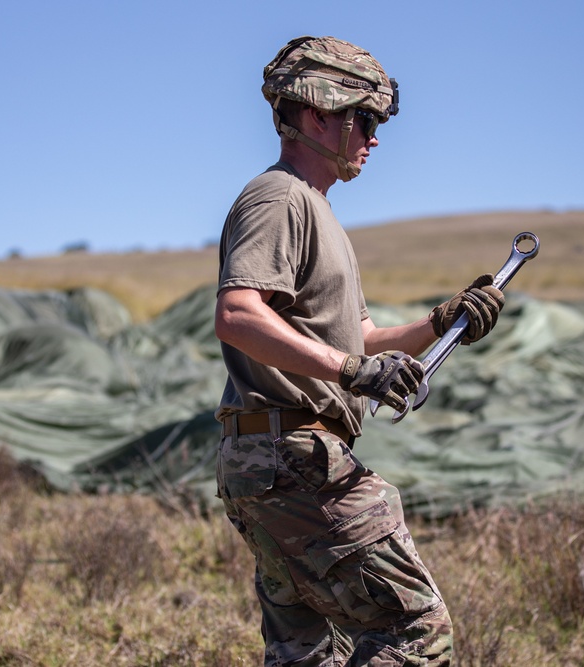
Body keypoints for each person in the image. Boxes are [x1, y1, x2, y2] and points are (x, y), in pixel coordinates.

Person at [213, 36, 505, 666]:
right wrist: (352, 372)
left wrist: (443, 321)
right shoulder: (280, 198)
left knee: (307, 649)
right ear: (319, 114)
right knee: (415, 628)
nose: (374, 138)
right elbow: (238, 314)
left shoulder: (317, 212)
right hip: (293, 460)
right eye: (364, 119)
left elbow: (364, 339)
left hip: (273, 460)